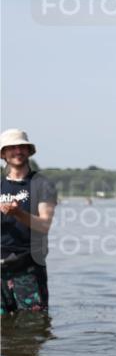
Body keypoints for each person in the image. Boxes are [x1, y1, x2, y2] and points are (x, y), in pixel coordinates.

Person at [1, 129, 57, 316]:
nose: (18, 151)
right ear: (3, 154)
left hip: (29, 267)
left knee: (33, 328)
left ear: (28, 151)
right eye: (12, 147)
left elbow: (44, 225)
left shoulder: (42, 184)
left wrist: (18, 213)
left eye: (22, 147)